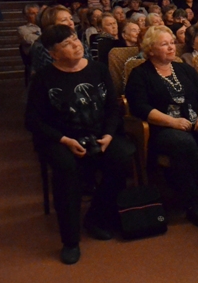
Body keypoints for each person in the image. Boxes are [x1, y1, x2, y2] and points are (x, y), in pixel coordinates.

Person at [26, 25, 135, 264]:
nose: (75, 44)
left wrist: (107, 134)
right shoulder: (44, 78)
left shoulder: (97, 69)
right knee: (66, 170)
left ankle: (96, 217)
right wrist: (64, 140)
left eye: (74, 39)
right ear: (53, 53)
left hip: (98, 134)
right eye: (66, 44)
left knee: (121, 158)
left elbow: (112, 108)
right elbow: (33, 120)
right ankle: (70, 240)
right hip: (60, 138)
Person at [125, 26, 198, 225]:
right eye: (164, 44)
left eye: (172, 43)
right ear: (151, 49)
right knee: (184, 144)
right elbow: (140, 108)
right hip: (162, 129)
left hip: (195, 122)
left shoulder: (185, 69)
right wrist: (173, 122)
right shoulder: (140, 74)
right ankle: (192, 203)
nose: (171, 47)